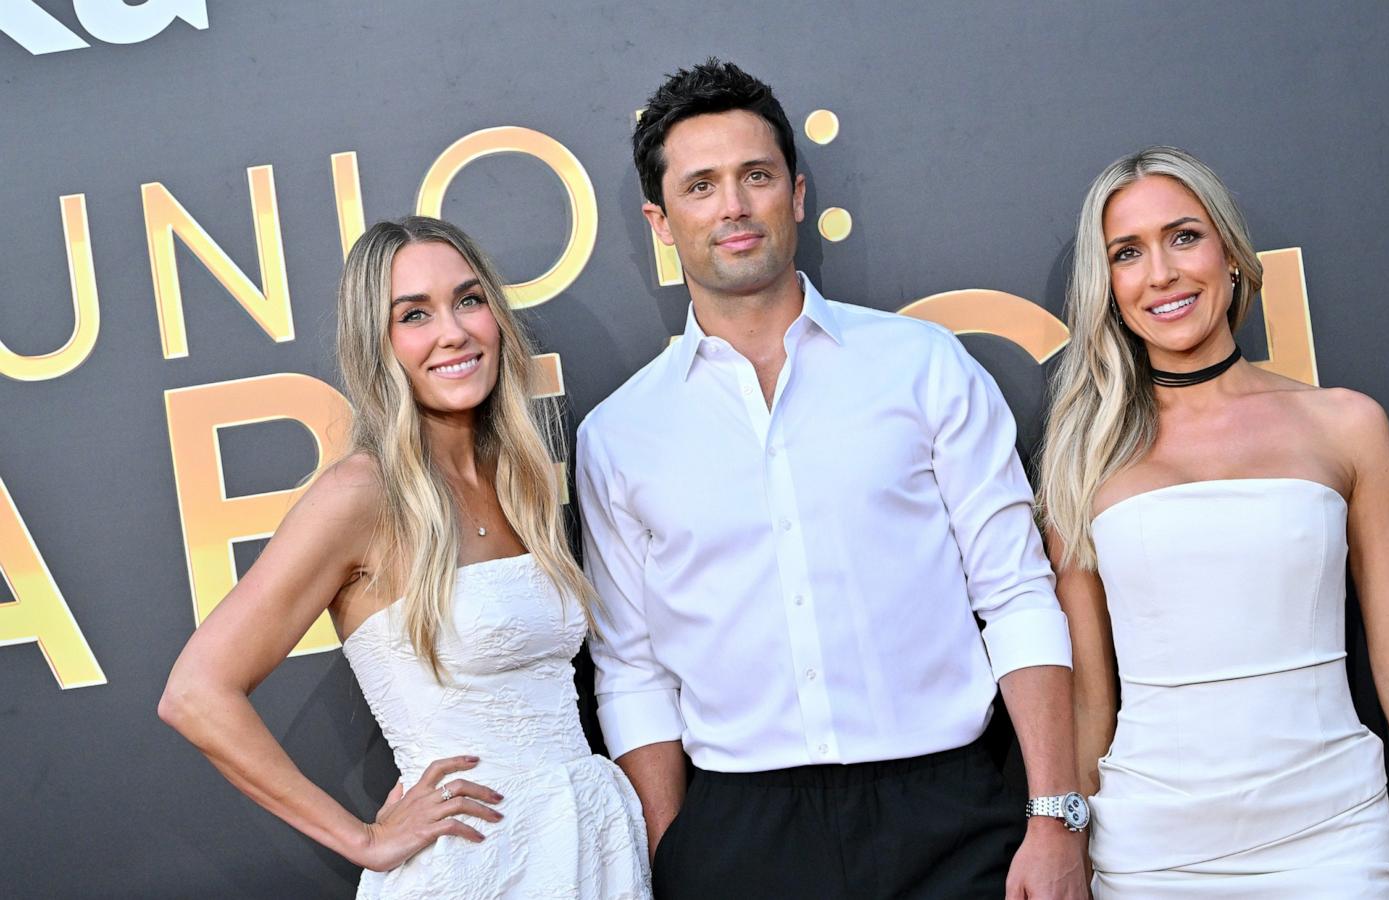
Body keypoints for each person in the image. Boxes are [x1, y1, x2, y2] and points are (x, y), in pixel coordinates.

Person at [575, 59, 1090, 900]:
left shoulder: (922, 366)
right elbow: (631, 671)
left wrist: (1052, 816)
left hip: (950, 813)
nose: (734, 206)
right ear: (660, 222)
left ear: (798, 193)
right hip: (738, 837)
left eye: (756, 176)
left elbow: (1018, 594)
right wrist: (676, 854)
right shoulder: (620, 436)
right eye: (700, 185)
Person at [158, 216, 650, 899]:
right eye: (414, 315)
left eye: (469, 300)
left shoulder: (519, 479)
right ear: (377, 343)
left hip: (589, 848)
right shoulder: (361, 496)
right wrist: (363, 839)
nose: (453, 331)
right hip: (475, 869)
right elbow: (195, 694)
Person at [1035, 146, 1389, 897]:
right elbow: (1087, 697)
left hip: (1330, 837)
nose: (1163, 273)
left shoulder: (1345, 425)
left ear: (1232, 254)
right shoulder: (1082, 460)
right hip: (1151, 853)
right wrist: (1065, 843)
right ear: (1106, 287)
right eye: (1128, 253)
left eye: (1183, 236)